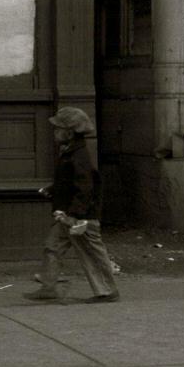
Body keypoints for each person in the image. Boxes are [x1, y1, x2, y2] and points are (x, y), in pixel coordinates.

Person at [25, 106, 120, 303]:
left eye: (58, 128)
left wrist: (76, 216)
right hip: (70, 215)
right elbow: (72, 183)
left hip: (80, 217)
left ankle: (108, 292)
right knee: (53, 246)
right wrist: (53, 190)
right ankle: (49, 288)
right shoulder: (71, 153)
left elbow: (85, 189)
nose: (54, 132)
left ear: (69, 132)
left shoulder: (78, 156)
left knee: (92, 252)